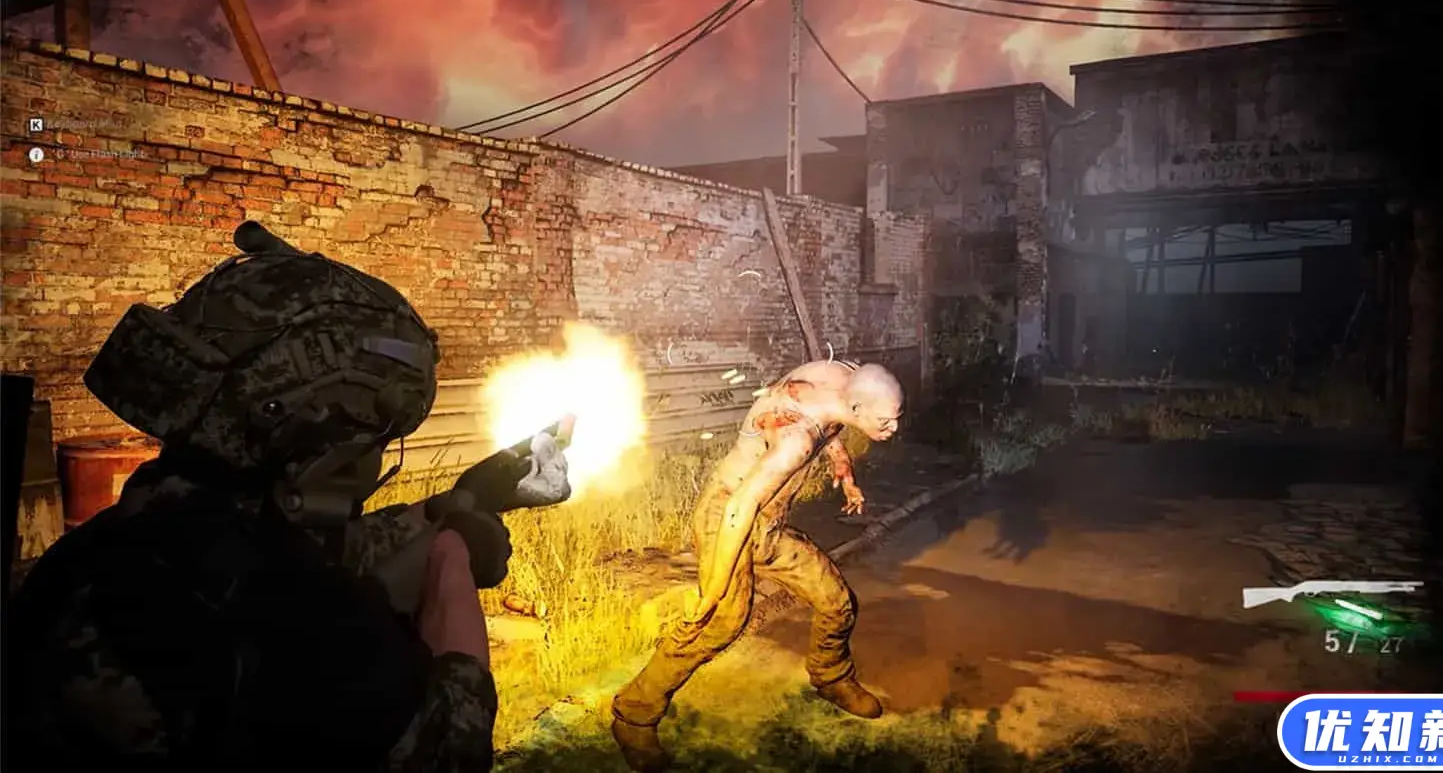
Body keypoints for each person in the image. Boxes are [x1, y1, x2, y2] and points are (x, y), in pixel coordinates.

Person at [5, 222, 568, 772]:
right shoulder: (297, 630)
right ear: (324, 437)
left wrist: (466, 498)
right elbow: (452, 745)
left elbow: (311, 553)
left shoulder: (118, 545)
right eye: (376, 439)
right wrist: (452, 563)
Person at [610, 359, 904, 772]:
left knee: (836, 601)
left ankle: (831, 677)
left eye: (896, 417)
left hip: (768, 528)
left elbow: (836, 424)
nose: (893, 429)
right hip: (727, 522)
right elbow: (739, 507)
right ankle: (633, 715)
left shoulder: (843, 376)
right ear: (857, 406)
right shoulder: (795, 440)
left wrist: (842, 463)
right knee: (719, 623)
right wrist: (713, 589)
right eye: (885, 422)